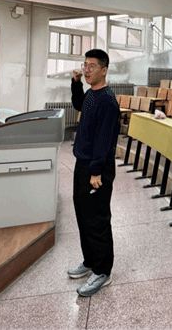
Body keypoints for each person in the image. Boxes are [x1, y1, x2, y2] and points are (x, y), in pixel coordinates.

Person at [68, 49, 120, 297]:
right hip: (83, 163)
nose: (86, 70)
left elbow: (104, 139)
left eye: (91, 66)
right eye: (85, 65)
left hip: (97, 168)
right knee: (83, 214)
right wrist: (76, 83)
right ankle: (90, 260)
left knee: (97, 219)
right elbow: (79, 104)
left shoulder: (108, 100)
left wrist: (96, 170)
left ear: (104, 70)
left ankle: (102, 271)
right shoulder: (91, 94)